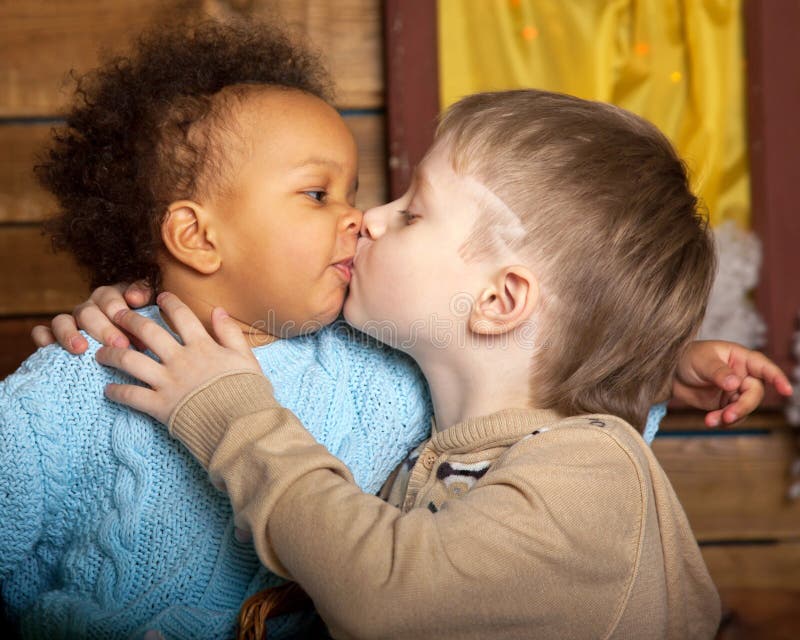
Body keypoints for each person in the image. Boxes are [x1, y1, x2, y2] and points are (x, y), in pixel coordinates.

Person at [89, 88, 792, 639]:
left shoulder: (599, 473)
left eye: (413, 212)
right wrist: (138, 308)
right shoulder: (431, 442)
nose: (370, 218)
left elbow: (384, 599)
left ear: (500, 299)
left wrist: (231, 415)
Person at [0, 18, 434, 639]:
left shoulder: (388, 371)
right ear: (198, 237)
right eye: (318, 194)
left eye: (353, 192)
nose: (357, 217)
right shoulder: (73, 382)